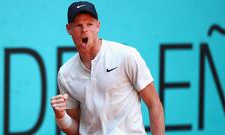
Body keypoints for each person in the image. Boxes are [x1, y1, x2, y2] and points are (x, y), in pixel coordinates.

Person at [50, 1, 165, 135]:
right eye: (78, 25)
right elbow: (77, 131)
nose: (84, 30)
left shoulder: (126, 55)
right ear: (69, 29)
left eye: (90, 24)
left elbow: (154, 104)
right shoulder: (65, 73)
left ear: (98, 26)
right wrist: (61, 116)